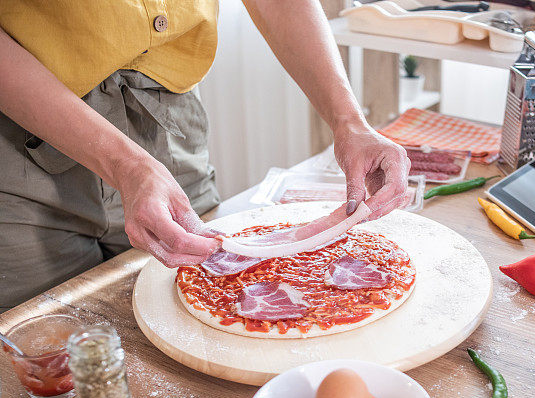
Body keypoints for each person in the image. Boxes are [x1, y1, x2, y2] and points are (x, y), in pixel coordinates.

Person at [0, 1, 410, 312]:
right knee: (55, 359)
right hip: (27, 133)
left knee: (207, 306)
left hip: (167, 119)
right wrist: (127, 164)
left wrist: (349, 121)